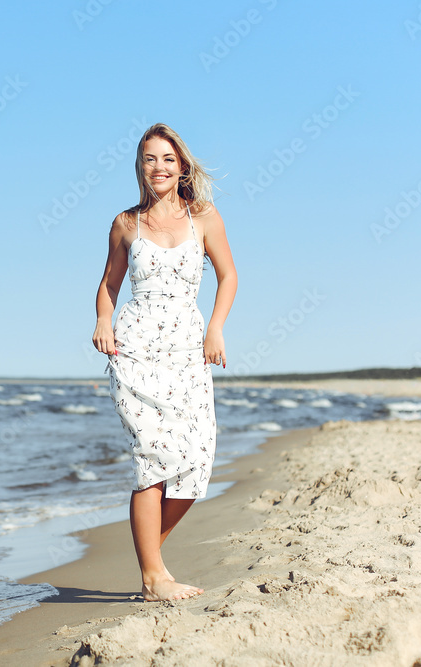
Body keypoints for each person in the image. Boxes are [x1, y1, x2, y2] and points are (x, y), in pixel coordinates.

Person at [92, 122, 237, 602]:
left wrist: (215, 327)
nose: (159, 167)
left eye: (168, 159)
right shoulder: (126, 223)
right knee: (151, 459)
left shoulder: (205, 217)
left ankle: (150, 556)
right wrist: (103, 322)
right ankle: (153, 576)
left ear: (181, 167)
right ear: (141, 166)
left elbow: (228, 276)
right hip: (134, 350)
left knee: (195, 460)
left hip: (187, 349)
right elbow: (110, 284)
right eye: (150, 159)